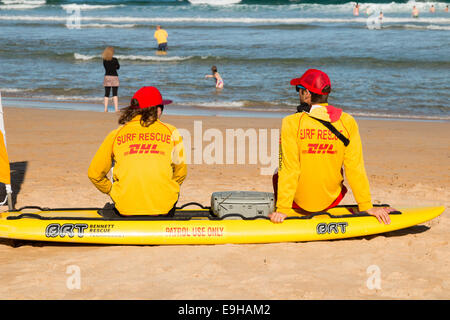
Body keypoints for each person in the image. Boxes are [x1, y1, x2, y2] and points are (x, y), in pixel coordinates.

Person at [269, 69, 395, 225]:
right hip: (331, 200)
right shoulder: (348, 121)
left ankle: (286, 209)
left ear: (307, 93)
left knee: (278, 170)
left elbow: (289, 169)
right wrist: (366, 206)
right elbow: (355, 168)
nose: (298, 94)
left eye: (299, 90)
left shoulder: (291, 122)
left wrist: (282, 208)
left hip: (299, 203)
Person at [88, 86, 187, 216]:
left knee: (117, 164)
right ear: (157, 110)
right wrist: (168, 189)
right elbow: (181, 172)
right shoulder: (172, 131)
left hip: (125, 208)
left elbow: (94, 174)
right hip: (164, 208)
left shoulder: (116, 134)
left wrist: (113, 191)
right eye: (162, 107)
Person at [102, 46, 120, 112]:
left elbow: (106, 68)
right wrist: (115, 66)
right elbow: (118, 67)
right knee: (115, 93)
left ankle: (105, 109)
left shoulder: (104, 60)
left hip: (107, 77)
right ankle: (116, 109)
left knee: (107, 93)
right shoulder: (115, 59)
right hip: (114, 77)